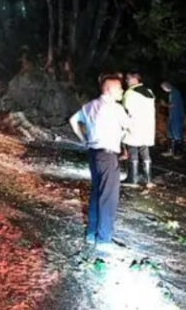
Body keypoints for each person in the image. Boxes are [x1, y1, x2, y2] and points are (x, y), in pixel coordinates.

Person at [69, 74, 130, 250]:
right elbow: (129, 126)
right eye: (119, 88)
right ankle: (103, 239)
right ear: (110, 90)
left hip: (94, 153)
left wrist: (83, 139)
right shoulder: (116, 108)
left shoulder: (90, 106)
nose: (122, 91)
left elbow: (73, 120)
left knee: (97, 193)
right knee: (108, 197)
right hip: (108, 155)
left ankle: (91, 233)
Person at [122, 71, 156, 187]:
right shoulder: (149, 92)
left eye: (127, 79)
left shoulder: (130, 93)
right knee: (145, 150)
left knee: (133, 150)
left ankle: (132, 178)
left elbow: (125, 111)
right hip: (147, 127)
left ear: (134, 79)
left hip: (134, 126)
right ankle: (148, 179)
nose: (126, 81)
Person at [160, 82, 185, 156]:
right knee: (170, 134)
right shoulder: (173, 92)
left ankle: (178, 153)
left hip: (176, 116)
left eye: (163, 88)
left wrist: (164, 104)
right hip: (173, 115)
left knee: (176, 134)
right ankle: (171, 151)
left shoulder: (175, 93)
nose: (163, 90)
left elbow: (173, 105)